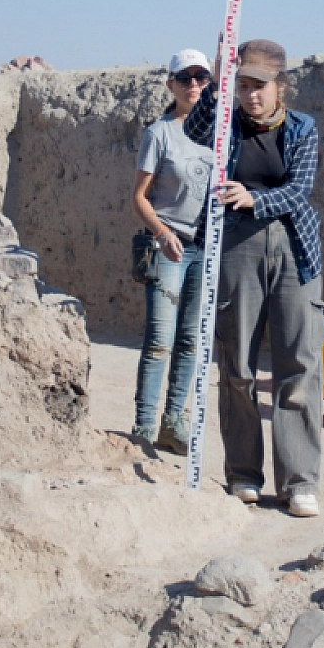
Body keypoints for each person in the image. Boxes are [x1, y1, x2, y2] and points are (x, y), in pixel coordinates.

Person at [184, 38, 324, 517]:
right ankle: (243, 474)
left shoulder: (303, 129)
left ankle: (299, 482)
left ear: (281, 86)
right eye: (243, 85)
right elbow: (197, 127)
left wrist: (254, 199)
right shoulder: (225, 125)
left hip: (293, 249)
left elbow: (300, 189)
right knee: (238, 367)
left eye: (260, 86)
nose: (251, 95)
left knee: (298, 366)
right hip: (235, 248)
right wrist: (217, 82)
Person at [129, 49, 216, 454]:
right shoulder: (159, 133)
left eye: (202, 78)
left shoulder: (220, 131)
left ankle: (173, 423)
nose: (194, 85)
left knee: (191, 341)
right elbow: (140, 198)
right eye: (186, 79)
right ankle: (144, 428)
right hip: (168, 246)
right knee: (160, 338)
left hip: (205, 247)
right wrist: (162, 232)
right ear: (171, 85)